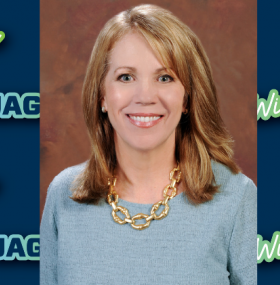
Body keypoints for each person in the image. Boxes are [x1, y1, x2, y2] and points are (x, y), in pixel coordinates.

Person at [41, 4, 256, 284]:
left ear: (187, 98)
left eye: (164, 77)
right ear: (102, 96)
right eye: (126, 77)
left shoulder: (236, 197)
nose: (145, 96)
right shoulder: (63, 195)